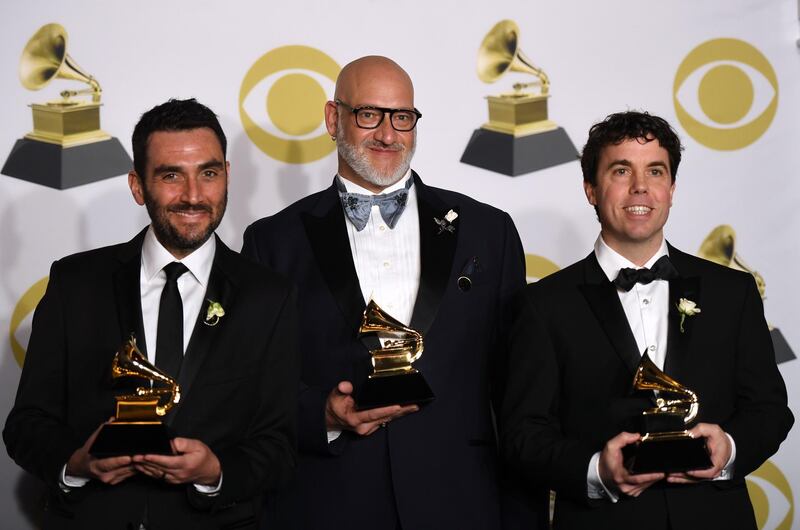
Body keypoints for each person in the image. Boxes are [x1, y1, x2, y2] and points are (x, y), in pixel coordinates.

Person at [242, 56, 545, 529]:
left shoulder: (489, 232)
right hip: (327, 503)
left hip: (461, 501)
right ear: (332, 118)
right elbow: (256, 387)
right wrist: (321, 413)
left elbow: (518, 392)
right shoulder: (273, 242)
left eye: (402, 117)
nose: (388, 134)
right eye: (369, 115)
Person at [3, 98, 300, 529]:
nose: (194, 195)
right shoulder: (76, 283)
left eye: (209, 173)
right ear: (138, 185)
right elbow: (27, 425)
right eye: (171, 175)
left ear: (228, 177)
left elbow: (280, 445)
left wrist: (215, 472)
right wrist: (77, 463)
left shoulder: (268, 296)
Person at [501, 110, 793, 529]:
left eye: (655, 171)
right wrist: (597, 470)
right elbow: (522, 434)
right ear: (591, 189)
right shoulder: (542, 305)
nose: (641, 186)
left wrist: (728, 448)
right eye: (621, 170)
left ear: (671, 188)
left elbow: (769, 411)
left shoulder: (734, 293)